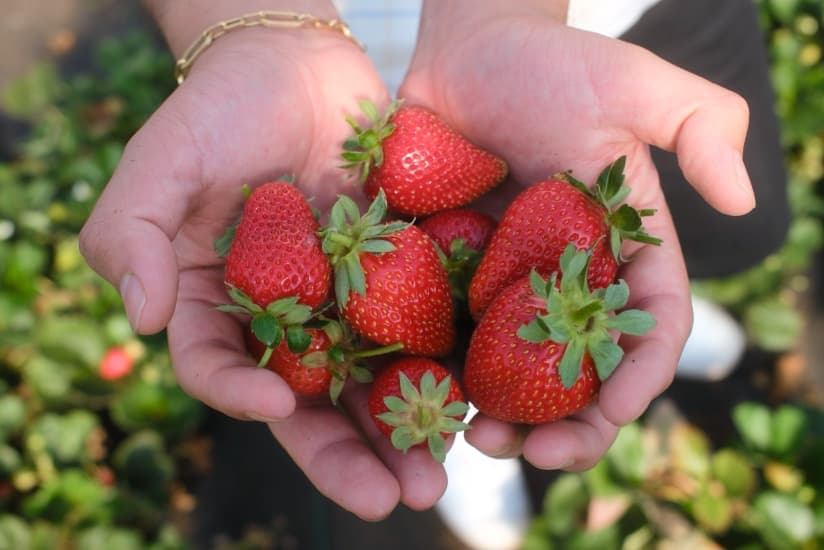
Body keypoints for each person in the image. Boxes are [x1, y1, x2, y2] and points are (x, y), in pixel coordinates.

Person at [79, 0, 785, 540]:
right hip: (305, 66)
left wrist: (498, 18)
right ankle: (465, 429)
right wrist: (246, 28)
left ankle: (592, 324)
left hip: (598, 27)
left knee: (676, 229)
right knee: (494, 316)